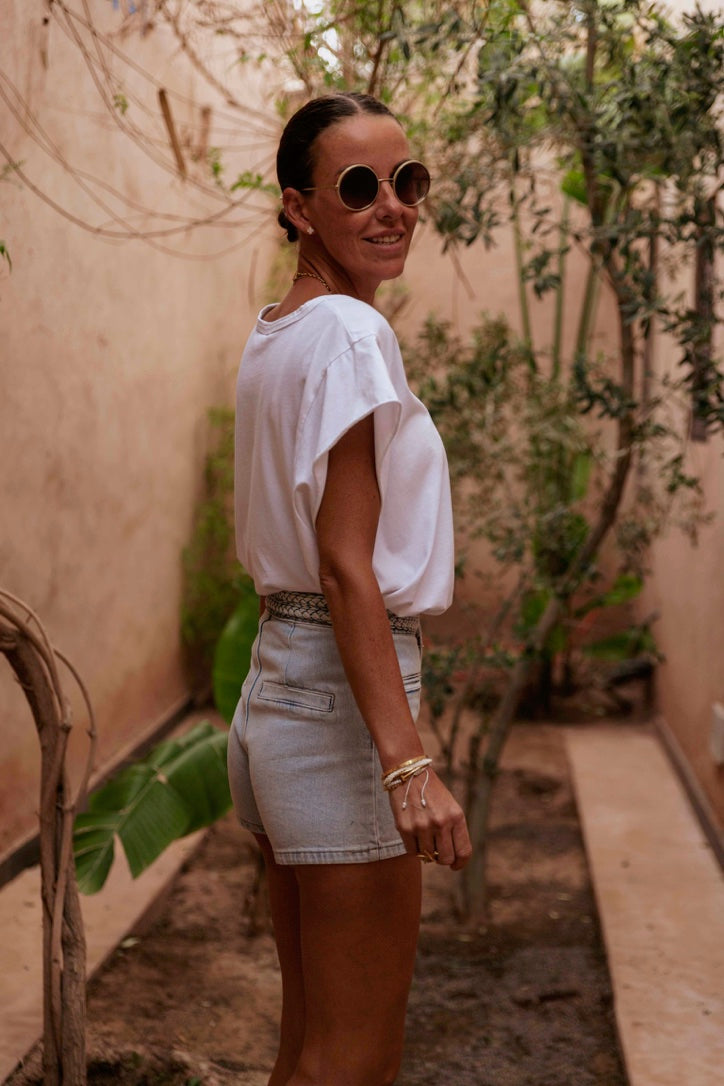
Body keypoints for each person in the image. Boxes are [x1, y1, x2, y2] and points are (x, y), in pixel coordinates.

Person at [228, 91, 472, 1086]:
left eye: (406, 181)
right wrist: (406, 764)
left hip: (281, 693)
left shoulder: (280, 329)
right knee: (355, 1059)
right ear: (298, 207)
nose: (392, 206)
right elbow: (342, 563)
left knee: (310, 1049)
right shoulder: (350, 335)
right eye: (359, 187)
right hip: (336, 708)